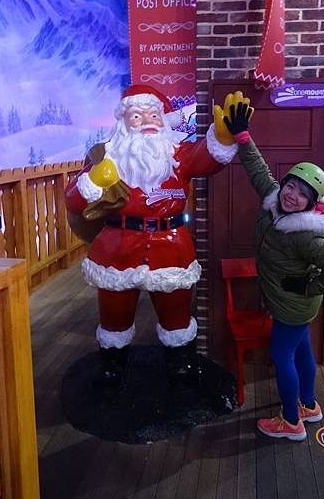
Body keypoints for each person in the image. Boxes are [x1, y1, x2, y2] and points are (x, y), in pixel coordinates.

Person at [65, 84, 244, 391]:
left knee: (175, 309)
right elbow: (73, 199)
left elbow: (206, 158)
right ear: (123, 122)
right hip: (118, 246)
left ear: (163, 120)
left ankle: (179, 360)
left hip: (170, 244)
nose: (147, 120)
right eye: (137, 115)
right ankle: (113, 362)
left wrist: (222, 138)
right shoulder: (107, 158)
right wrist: (93, 179)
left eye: (153, 114)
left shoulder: (177, 155)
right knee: (114, 311)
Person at [223, 100, 324, 441]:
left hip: (293, 306)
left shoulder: (306, 235)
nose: (292, 196)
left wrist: (307, 287)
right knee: (302, 350)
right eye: (291, 186)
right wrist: (243, 136)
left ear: (312, 204)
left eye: (302, 195)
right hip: (293, 305)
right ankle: (309, 405)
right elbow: (258, 170)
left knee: (282, 356)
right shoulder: (274, 198)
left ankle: (291, 421)